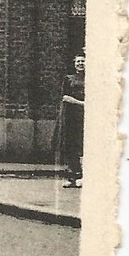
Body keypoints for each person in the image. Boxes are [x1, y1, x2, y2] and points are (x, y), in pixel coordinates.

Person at [55, 54, 85, 187]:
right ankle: (72, 176)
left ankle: (82, 176)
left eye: (82, 61)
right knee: (71, 144)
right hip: (72, 116)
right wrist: (82, 103)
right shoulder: (69, 79)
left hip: (84, 116)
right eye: (78, 61)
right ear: (74, 64)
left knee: (82, 144)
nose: (80, 64)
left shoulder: (91, 79)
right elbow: (65, 97)